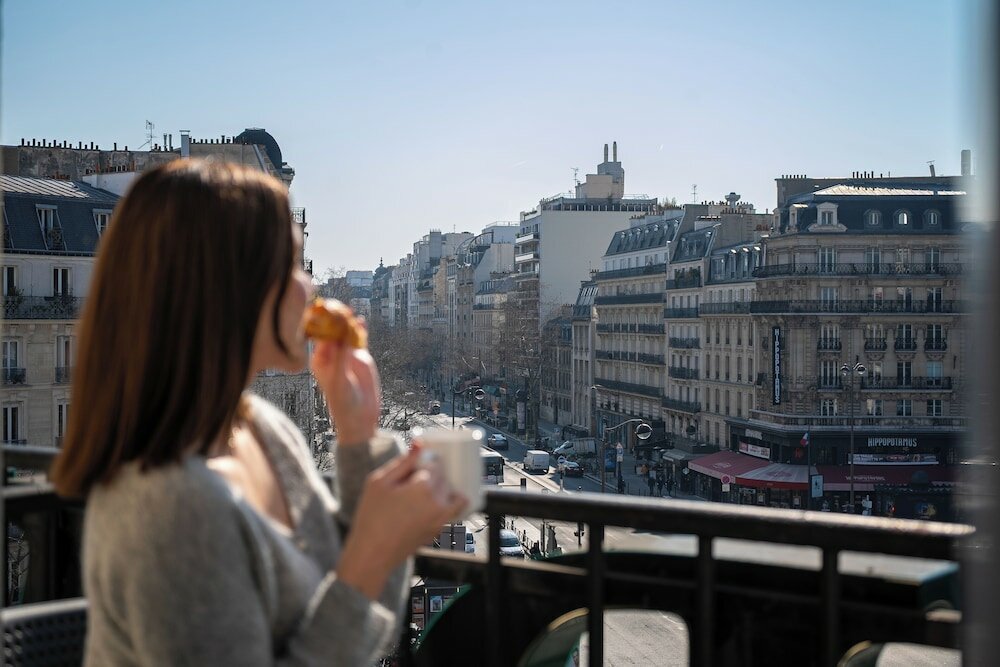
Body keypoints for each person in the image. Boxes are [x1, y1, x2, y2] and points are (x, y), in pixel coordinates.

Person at [50, 160, 466, 666]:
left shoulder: (262, 430)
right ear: (230, 290)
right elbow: (354, 594)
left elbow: (352, 617)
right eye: (290, 265)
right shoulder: (169, 505)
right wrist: (375, 551)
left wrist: (358, 437)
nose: (309, 287)